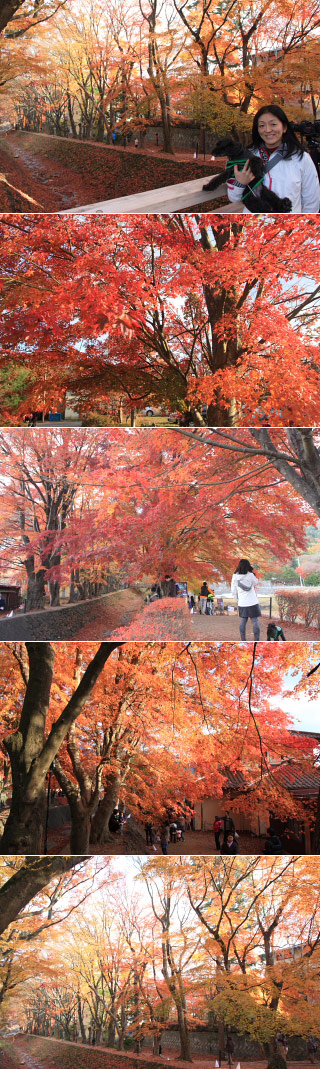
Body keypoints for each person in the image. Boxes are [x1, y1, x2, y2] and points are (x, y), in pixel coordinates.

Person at [227, 105, 320, 214]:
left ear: (284, 127)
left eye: (273, 124)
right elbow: (234, 198)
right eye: (262, 125)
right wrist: (240, 183)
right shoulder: (246, 155)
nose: (267, 130)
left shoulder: (301, 158)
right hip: (254, 224)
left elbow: (311, 202)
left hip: (288, 226)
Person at [231, 558, 261, 641]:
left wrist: (237, 599)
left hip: (242, 602)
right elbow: (256, 582)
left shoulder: (235, 576)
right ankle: (256, 639)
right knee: (254, 620)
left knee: (243, 620)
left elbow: (233, 589)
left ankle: (243, 639)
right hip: (252, 601)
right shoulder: (250, 575)